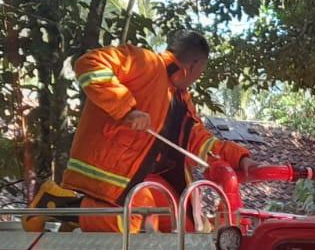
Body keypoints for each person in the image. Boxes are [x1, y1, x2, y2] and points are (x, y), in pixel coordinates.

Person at [27, 31, 257, 232]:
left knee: (184, 225)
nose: (198, 77)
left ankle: (81, 217)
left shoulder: (181, 97)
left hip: (147, 178)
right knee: (134, 215)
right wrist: (127, 109)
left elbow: (197, 139)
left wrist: (238, 156)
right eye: (201, 71)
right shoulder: (145, 62)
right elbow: (89, 63)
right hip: (116, 176)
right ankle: (55, 203)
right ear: (195, 65)